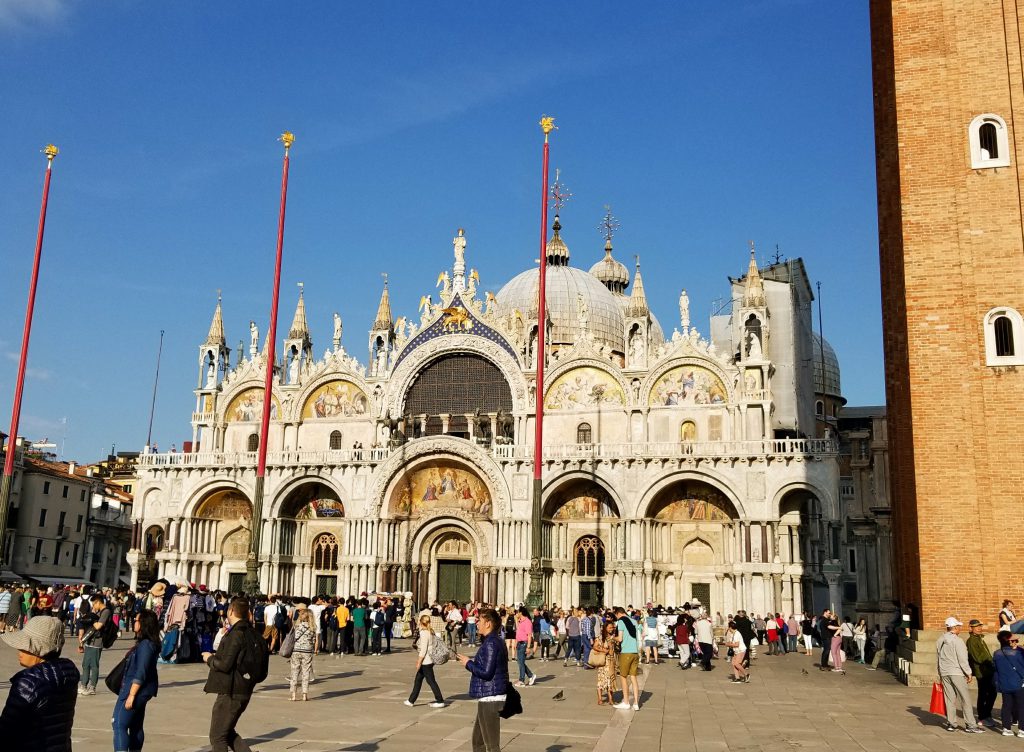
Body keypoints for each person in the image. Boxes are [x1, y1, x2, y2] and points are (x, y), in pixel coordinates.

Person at [0, 615, 79, 751]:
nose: (19, 650)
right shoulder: (67, 672)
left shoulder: (29, 682)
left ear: (39, 648)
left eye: (25, 646)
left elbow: (7, 730)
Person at [201, 597, 269, 752]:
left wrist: (209, 658)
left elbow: (225, 665)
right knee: (227, 731)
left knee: (217, 736)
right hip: (245, 688)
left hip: (231, 690)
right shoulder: (254, 633)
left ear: (230, 610)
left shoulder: (237, 634)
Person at [455, 608, 508, 752]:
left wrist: (468, 663)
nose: (477, 623)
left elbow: (487, 672)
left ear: (488, 624)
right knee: (478, 741)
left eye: (480, 621)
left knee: (491, 745)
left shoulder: (491, 643)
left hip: (491, 697)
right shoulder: (494, 641)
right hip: (488, 696)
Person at [112, 609, 161, 752]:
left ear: (144, 623)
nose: (134, 622)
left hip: (134, 689)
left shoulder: (146, 645)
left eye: (137, 620)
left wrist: (131, 695)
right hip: (142, 689)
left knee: (119, 723)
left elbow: (141, 671)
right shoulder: (148, 643)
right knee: (135, 725)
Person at [937, 616, 983, 733]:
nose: (960, 628)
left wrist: (940, 672)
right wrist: (968, 672)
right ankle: (970, 725)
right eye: (959, 626)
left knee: (949, 699)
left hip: (944, 672)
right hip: (956, 672)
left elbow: (938, 657)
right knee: (965, 699)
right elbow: (963, 659)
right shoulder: (958, 641)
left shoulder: (940, 639)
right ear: (955, 627)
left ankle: (951, 723)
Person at [405, 614, 445, 708]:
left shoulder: (424, 633)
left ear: (421, 622)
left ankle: (440, 700)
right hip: (429, 660)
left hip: (426, 661)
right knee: (418, 680)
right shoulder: (430, 631)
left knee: (431, 681)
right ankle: (411, 700)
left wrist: (419, 662)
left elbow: (423, 650)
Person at [965, 618, 997, 727]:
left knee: (992, 693)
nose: (979, 628)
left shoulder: (979, 638)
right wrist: (989, 660)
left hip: (987, 670)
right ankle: (983, 717)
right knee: (984, 694)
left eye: (980, 626)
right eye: (976, 626)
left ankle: (987, 714)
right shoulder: (971, 641)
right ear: (971, 628)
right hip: (981, 671)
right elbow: (977, 657)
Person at [78, 593, 112, 695]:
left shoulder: (106, 612)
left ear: (98, 602)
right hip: (90, 640)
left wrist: (92, 618)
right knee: (85, 664)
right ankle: (83, 685)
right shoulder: (99, 612)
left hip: (97, 642)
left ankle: (92, 687)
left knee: (94, 665)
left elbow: (98, 626)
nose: (93, 606)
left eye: (94, 604)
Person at [993, 629, 1024, 737]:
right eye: (1013, 640)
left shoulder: (996, 654)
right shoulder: (1018, 653)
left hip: (1004, 684)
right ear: (1009, 641)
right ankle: (1021, 730)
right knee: (1021, 706)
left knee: (1006, 706)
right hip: (1018, 684)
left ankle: (1006, 728)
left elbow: (996, 670)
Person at [612, 606, 641, 710]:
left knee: (623, 677)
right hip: (635, 652)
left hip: (626, 652)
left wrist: (612, 637)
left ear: (618, 614)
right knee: (633, 677)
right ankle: (636, 703)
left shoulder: (621, 622)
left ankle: (626, 702)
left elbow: (620, 639)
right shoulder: (634, 621)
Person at [288, 604, 316, 701]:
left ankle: (293, 695)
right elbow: (313, 641)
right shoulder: (312, 628)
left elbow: (293, 638)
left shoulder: (297, 626)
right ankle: (305, 695)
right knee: (306, 672)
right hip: (307, 651)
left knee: (294, 672)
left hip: (296, 650)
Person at [590, 621, 617, 705]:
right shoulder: (600, 637)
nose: (611, 629)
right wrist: (603, 650)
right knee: (601, 680)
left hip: (611, 660)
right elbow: (594, 646)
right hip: (603, 661)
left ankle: (611, 699)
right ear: (605, 628)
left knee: (610, 680)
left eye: (612, 628)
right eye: (609, 628)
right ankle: (600, 699)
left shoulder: (613, 637)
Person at [513, 607, 536, 686]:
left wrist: (528, 647)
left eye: (517, 612)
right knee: (520, 662)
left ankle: (521, 680)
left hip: (524, 644)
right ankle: (531, 675)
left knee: (521, 662)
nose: (516, 614)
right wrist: (516, 620)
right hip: (519, 643)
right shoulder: (521, 621)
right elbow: (518, 630)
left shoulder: (527, 622)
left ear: (521, 613)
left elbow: (529, 635)